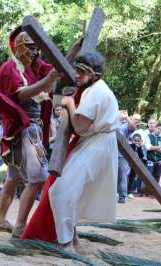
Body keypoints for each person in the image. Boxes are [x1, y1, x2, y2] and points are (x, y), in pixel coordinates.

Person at [22, 51, 119, 252]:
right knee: (72, 191)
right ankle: (72, 238)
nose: (77, 75)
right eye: (77, 70)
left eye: (83, 72)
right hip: (97, 143)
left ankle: (65, 243)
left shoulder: (95, 93)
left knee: (60, 191)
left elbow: (80, 127)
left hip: (96, 144)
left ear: (95, 74)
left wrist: (69, 104)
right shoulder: (97, 89)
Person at [0, 28, 61, 236]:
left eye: (37, 48)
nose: (35, 52)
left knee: (13, 177)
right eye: (30, 47)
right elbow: (20, 95)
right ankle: (20, 226)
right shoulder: (10, 67)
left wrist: (73, 52)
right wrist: (47, 81)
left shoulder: (33, 67)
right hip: (24, 129)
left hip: (27, 128)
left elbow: (55, 67)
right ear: (19, 46)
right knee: (38, 178)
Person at [117, 110, 135, 203]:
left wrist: (127, 117)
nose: (121, 113)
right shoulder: (112, 121)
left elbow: (132, 127)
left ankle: (122, 195)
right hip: (110, 152)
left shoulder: (125, 125)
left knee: (121, 175)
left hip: (121, 154)